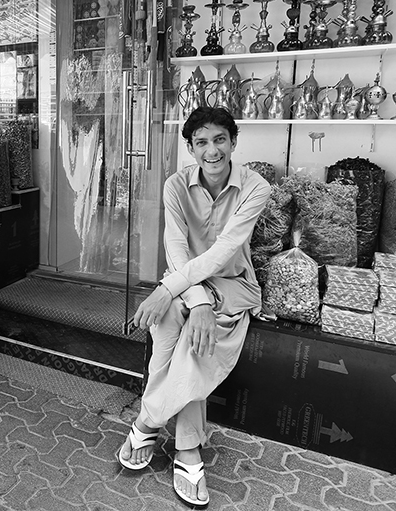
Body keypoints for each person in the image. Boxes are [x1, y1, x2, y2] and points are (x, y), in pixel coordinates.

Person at [117, 107, 271, 506]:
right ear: (190, 148)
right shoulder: (175, 184)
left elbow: (224, 252)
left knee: (190, 335)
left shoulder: (257, 188)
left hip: (233, 283)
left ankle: (148, 423)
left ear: (233, 143)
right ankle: (186, 447)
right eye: (201, 142)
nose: (212, 150)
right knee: (168, 320)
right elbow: (176, 247)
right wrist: (195, 298)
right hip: (186, 277)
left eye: (220, 139)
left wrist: (172, 290)